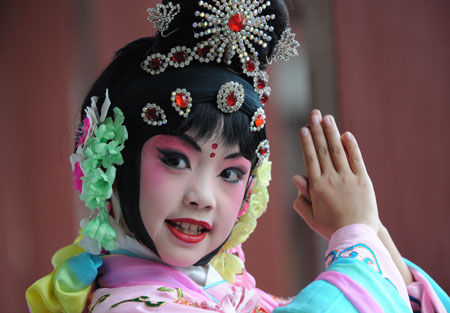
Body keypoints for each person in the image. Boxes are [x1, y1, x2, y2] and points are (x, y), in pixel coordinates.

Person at [26, 0, 449, 312]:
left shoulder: (230, 295)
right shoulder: (129, 306)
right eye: (174, 160)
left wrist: (368, 226)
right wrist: (355, 237)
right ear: (112, 163)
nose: (202, 197)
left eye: (230, 173)